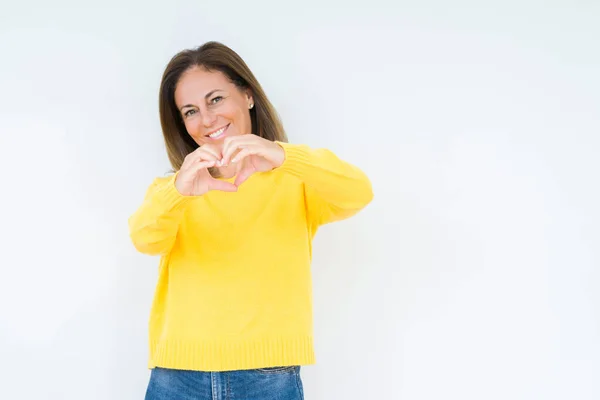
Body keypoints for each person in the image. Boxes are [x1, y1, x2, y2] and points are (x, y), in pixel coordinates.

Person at [128, 41, 373, 400]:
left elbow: (358, 192)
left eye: (215, 99)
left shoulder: (294, 180)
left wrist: (284, 156)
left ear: (248, 96)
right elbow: (144, 239)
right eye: (190, 111)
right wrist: (178, 191)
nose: (207, 119)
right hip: (177, 377)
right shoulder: (175, 190)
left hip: (268, 377)